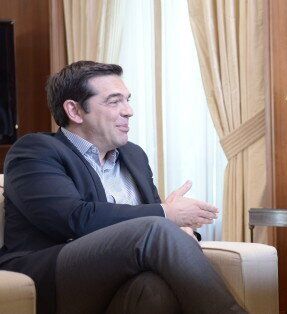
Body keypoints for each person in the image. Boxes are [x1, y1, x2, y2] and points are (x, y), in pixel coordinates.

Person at [0, 61, 246, 314]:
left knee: (153, 290)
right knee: (156, 227)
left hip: (118, 277)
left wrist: (180, 228)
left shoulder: (134, 155)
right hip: (49, 276)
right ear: (74, 111)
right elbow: (73, 218)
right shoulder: (36, 151)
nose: (128, 111)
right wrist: (167, 214)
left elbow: (147, 224)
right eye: (114, 101)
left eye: (127, 100)